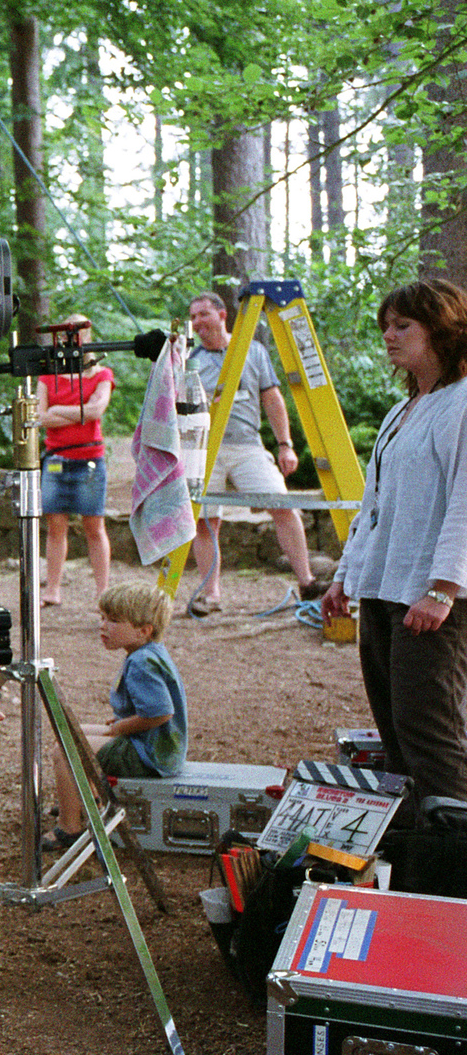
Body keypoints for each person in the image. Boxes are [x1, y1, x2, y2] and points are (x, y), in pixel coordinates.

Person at [322, 279, 467, 825]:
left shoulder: (462, 403)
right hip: (383, 587)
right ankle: (417, 857)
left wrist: (442, 589)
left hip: (431, 598)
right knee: (393, 727)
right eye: (386, 324)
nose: (389, 335)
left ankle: (454, 862)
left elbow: (465, 503)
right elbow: (374, 509)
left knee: (429, 729)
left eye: (403, 324)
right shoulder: (401, 412)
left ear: (442, 327)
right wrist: (343, 578)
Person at [185, 291, 327, 614]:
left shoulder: (253, 350)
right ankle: (212, 596)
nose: (197, 323)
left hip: (247, 445)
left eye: (203, 315)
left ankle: (307, 582)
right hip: (205, 449)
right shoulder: (190, 359)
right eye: (193, 317)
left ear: (222, 315)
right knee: (207, 521)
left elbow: (273, 399)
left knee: (282, 504)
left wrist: (285, 445)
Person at [42, 583, 187, 853]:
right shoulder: (147, 653)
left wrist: (121, 727)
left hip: (150, 754)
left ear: (144, 631)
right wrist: (122, 725)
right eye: (102, 618)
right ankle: (87, 799)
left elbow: (161, 713)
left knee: (64, 750)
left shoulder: (141, 663)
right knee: (71, 733)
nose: (103, 626)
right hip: (154, 745)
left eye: (114, 620)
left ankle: (69, 827)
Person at [38, 317, 114, 607]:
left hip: (89, 458)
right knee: (55, 525)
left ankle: (103, 591)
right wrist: (74, 411)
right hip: (57, 458)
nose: (73, 339)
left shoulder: (102, 374)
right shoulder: (48, 376)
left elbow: (97, 411)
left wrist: (58, 408)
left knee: (94, 526)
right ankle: (53, 589)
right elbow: (40, 417)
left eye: (79, 333)